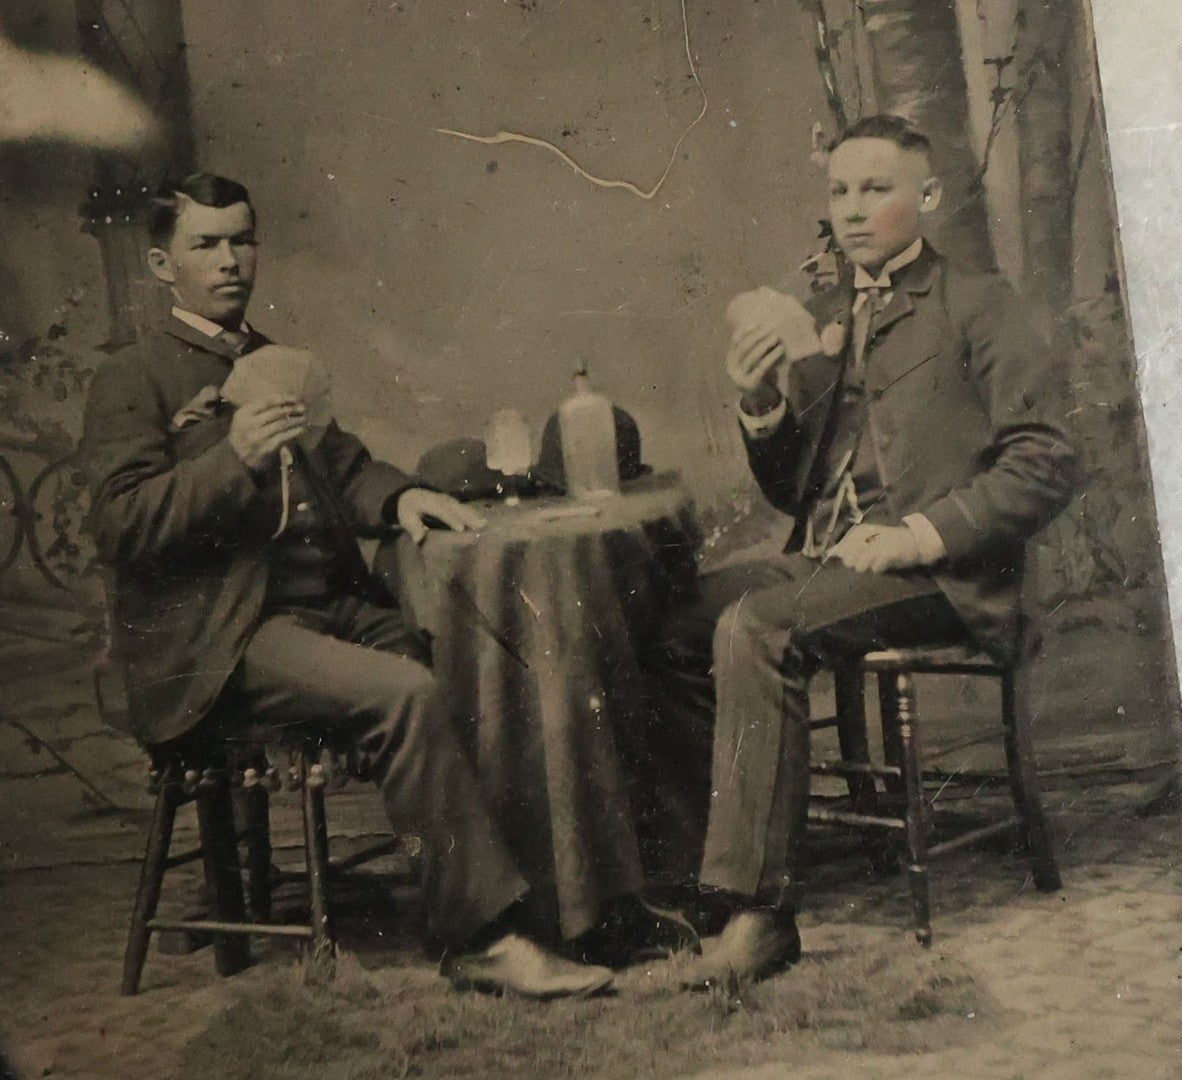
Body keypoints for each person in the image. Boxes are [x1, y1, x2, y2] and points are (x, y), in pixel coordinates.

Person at [81, 172, 614, 999]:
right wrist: (233, 460)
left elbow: (340, 462)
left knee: (482, 658)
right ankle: (481, 940)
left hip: (323, 607)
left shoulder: (266, 359)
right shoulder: (132, 377)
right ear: (161, 264)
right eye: (206, 245)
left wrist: (404, 497)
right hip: (222, 639)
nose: (231, 261)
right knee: (404, 694)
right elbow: (119, 526)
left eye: (243, 239)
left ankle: (558, 902)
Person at [657, 115, 1079, 987]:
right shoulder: (823, 318)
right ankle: (690, 882)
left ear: (926, 198)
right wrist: (758, 406)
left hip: (945, 574)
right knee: (670, 621)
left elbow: (1049, 459)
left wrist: (922, 533)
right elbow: (793, 494)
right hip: (831, 559)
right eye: (840, 191)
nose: (853, 210)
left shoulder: (979, 303)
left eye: (876, 189)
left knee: (760, 628)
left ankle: (759, 919)